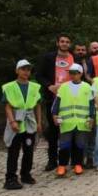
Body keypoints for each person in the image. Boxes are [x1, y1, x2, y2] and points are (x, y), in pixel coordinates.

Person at [2, 60, 42, 190]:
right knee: (13, 150)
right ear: (17, 71)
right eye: (23, 69)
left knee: (29, 150)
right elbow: (7, 106)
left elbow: (37, 106)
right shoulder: (9, 87)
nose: (26, 72)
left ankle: (26, 174)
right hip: (16, 120)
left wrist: (39, 123)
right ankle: (10, 178)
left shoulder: (35, 87)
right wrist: (12, 121)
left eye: (28, 70)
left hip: (29, 121)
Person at [36, 33, 74, 171]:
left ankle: (67, 159)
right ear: (57, 43)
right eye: (62, 41)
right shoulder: (48, 58)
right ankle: (52, 160)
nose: (64, 43)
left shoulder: (73, 58)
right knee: (53, 131)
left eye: (67, 41)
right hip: (53, 99)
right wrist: (49, 86)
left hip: (70, 99)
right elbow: (39, 75)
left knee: (68, 129)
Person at [52, 64, 93, 176]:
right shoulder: (63, 87)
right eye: (70, 73)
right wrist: (54, 115)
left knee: (80, 144)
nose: (72, 75)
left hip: (82, 122)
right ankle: (62, 166)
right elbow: (57, 102)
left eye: (75, 73)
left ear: (80, 74)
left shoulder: (87, 87)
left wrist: (91, 117)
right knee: (64, 145)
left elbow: (91, 104)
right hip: (66, 122)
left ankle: (78, 164)